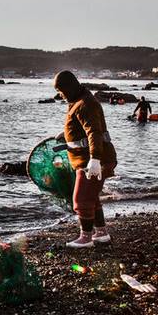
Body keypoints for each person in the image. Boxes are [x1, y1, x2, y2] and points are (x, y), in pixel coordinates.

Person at [53, 70, 118, 249]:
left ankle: (86, 238)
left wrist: (95, 159)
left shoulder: (85, 103)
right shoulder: (79, 101)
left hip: (94, 159)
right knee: (92, 197)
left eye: (61, 90)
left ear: (69, 86)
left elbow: (94, 132)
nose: (60, 94)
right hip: (90, 158)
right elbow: (82, 128)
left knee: (81, 199)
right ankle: (101, 233)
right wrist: (66, 135)